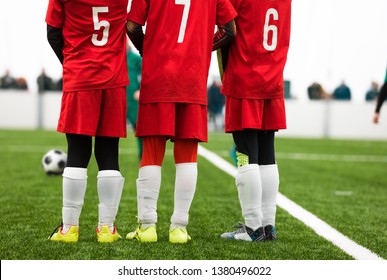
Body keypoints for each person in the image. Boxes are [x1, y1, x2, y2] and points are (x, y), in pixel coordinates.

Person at [125, 0, 237, 244]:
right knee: (187, 155)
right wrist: (198, 48)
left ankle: (147, 227)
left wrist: (149, 50)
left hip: (158, 77)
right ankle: (179, 228)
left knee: (151, 153)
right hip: (192, 77)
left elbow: (132, 26)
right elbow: (230, 31)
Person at [45, 0, 129, 243]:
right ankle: (107, 229)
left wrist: (73, 60)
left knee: (78, 152)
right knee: (109, 153)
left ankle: (69, 229)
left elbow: (52, 32)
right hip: (113, 78)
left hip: (80, 76)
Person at [219, 0, 292, 242]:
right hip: (272, 79)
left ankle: (252, 227)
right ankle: (268, 226)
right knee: (267, 155)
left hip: (245, 78)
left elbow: (226, 30)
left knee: (246, 154)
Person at [126, 43, 143, 161]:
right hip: (115, 98)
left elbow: (148, 71)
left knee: (139, 128)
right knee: (108, 131)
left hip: (132, 99)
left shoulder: (135, 58)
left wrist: (141, 89)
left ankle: (143, 156)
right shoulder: (112, 56)